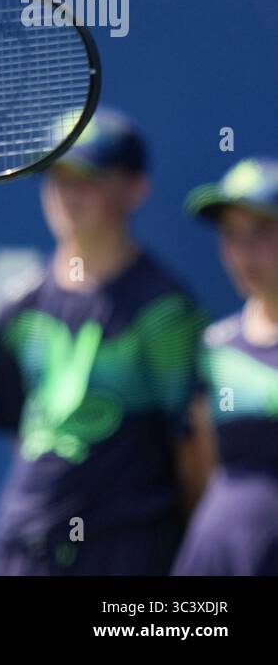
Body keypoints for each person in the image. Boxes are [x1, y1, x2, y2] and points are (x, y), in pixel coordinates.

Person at [0, 108, 213, 574]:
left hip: (127, 550)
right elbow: (26, 433)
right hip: (22, 543)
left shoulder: (166, 312)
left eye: (88, 177)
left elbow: (194, 449)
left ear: (135, 190)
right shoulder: (18, 304)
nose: (68, 193)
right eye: (57, 176)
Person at [173, 157, 278, 575]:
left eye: (262, 233)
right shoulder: (215, 347)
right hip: (215, 553)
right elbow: (200, 467)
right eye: (231, 236)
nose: (243, 254)